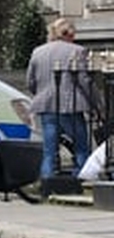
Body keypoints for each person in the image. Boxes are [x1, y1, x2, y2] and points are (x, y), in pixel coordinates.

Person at [26, 18, 96, 180]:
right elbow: (85, 82)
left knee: (49, 150)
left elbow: (31, 80)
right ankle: (82, 179)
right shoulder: (78, 51)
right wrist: (96, 104)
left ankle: (47, 182)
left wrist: (40, 94)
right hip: (70, 105)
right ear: (68, 34)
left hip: (46, 106)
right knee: (80, 147)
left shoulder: (38, 51)